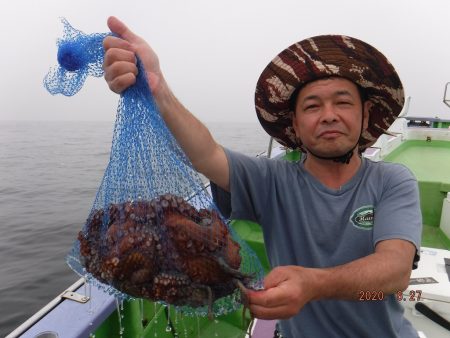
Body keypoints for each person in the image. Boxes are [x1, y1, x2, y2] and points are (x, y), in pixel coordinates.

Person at [103, 16, 422, 338]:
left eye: (343, 102)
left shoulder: (392, 180)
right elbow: (206, 154)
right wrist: (159, 89)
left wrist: (313, 285)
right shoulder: (270, 179)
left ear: (365, 114)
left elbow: (395, 272)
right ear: (295, 125)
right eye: (312, 107)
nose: (329, 115)